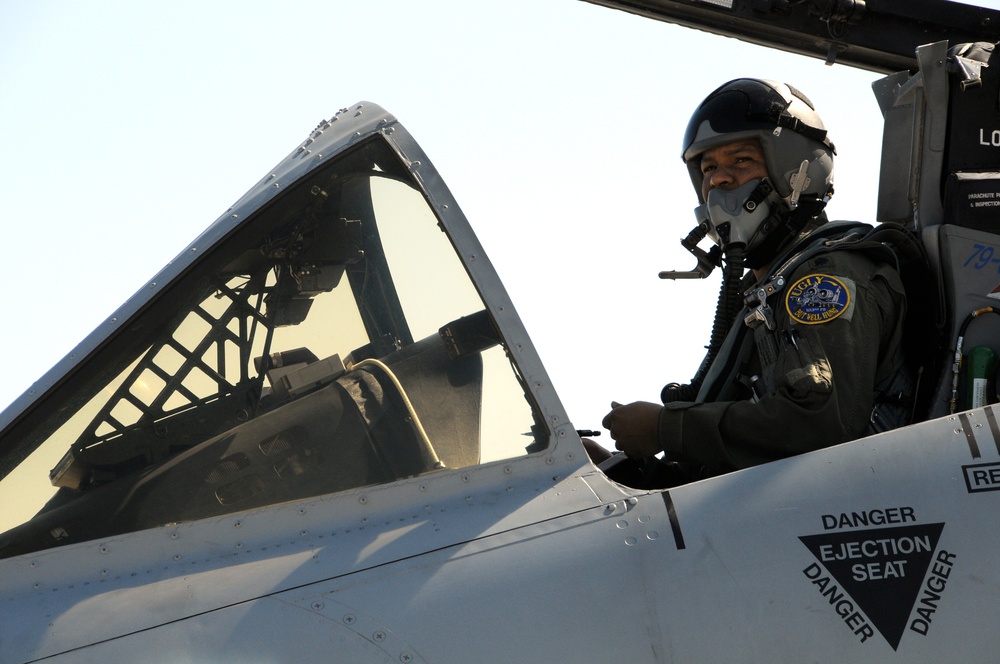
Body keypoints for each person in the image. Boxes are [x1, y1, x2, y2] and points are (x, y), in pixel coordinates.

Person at [600, 78, 916, 485]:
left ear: (796, 171)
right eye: (709, 167)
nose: (719, 181)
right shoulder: (768, 289)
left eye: (741, 161)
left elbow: (819, 425)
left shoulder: (824, 279)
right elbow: (738, 465)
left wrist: (665, 428)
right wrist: (621, 473)